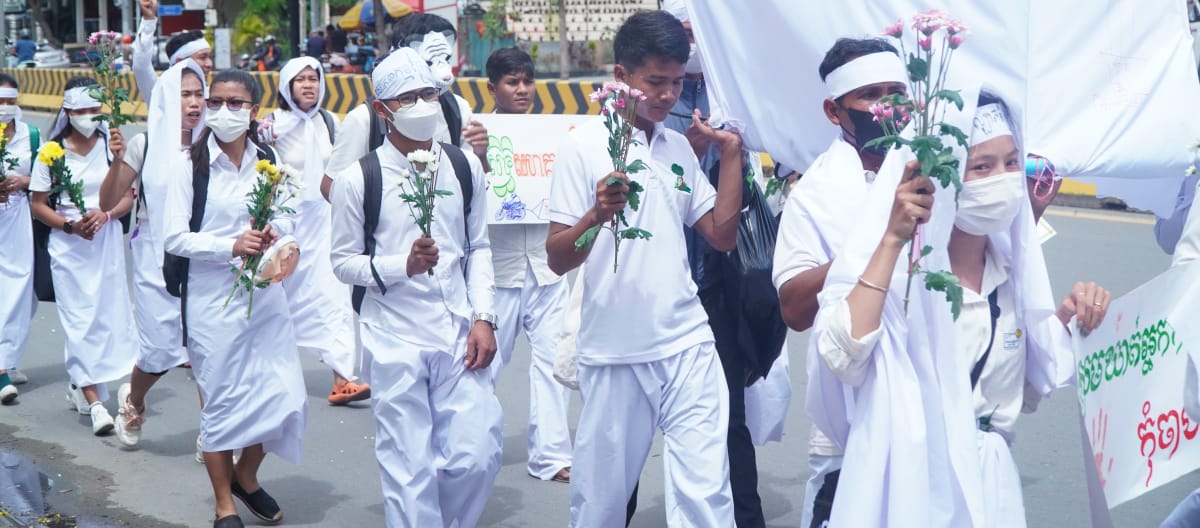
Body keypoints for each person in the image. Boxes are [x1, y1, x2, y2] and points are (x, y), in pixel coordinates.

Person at [809, 90, 1112, 526]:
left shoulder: (1011, 276)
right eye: (982, 167)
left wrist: (1069, 319)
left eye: (1012, 163)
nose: (1003, 179)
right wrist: (893, 240)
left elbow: (1024, 392)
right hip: (911, 488)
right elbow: (842, 355)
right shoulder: (903, 276)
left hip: (992, 495)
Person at [546, 11, 745, 526]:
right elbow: (558, 255)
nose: (666, 95)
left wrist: (730, 158)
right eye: (655, 81)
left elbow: (721, 236)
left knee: (705, 494)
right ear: (622, 76)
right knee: (600, 502)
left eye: (676, 82)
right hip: (615, 353)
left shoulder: (677, 146)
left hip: (688, 344)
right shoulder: (582, 147)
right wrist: (596, 214)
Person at [329, 48, 502, 528]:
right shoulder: (357, 179)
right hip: (394, 336)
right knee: (409, 468)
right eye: (408, 98)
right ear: (383, 109)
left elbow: (479, 247)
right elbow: (342, 263)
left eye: (429, 93)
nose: (423, 105)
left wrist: (484, 317)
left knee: (476, 455)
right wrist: (400, 265)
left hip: (458, 331)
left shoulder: (464, 167)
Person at [770, 37, 907, 528]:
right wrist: (871, 247)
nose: (888, 107)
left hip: (925, 398)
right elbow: (794, 309)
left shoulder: (932, 168)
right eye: (871, 95)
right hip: (847, 409)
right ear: (835, 110)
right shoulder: (815, 195)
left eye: (897, 91)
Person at [163, 70, 306, 528]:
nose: (225, 112)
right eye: (216, 102)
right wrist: (229, 244)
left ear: (254, 111)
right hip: (212, 303)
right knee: (223, 405)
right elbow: (173, 237)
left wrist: (278, 239)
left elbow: (290, 217)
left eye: (237, 103)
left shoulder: (270, 161)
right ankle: (225, 502)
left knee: (283, 397)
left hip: (264, 298)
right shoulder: (190, 165)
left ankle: (247, 475)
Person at [98, 59, 206, 448]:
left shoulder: (212, 142)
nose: (194, 103)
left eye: (199, 94)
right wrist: (116, 162)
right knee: (160, 349)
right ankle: (136, 397)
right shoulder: (146, 143)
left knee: (205, 348)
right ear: (167, 99)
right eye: (185, 95)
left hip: (203, 258)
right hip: (154, 258)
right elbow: (109, 200)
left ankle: (212, 435)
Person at [483, 46, 574, 484]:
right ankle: (472, 445)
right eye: (511, 82)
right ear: (492, 88)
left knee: (554, 362)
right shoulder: (474, 134)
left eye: (526, 81)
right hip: (497, 270)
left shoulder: (554, 133)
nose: (522, 90)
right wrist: (479, 157)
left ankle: (552, 455)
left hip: (547, 265)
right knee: (484, 366)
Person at [28, 78, 137, 436]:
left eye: (95, 109)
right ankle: (94, 402)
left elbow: (128, 195)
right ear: (68, 112)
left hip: (104, 243)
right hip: (69, 245)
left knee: (108, 316)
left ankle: (84, 382)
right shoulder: (51, 152)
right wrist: (70, 226)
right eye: (81, 111)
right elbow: (38, 204)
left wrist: (105, 215)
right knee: (79, 320)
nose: (89, 117)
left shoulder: (111, 147)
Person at [260, 56, 369, 405]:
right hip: (285, 223)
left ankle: (343, 377)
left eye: (314, 78)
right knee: (276, 296)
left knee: (333, 295)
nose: (308, 85)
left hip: (325, 223)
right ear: (286, 86)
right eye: (300, 79)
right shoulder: (270, 125)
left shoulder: (330, 122)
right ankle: (262, 369)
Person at [322, 13, 489, 201]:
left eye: (446, 59)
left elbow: (475, 181)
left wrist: (481, 155)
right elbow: (332, 187)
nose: (444, 74)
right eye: (428, 62)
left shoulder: (458, 109)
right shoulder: (365, 119)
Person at [0, 74, 40, 403]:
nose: (5, 108)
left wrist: (25, 180)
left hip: (18, 220)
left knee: (20, 293)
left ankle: (8, 359)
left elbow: (45, 178)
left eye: (10, 101)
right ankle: (1, 370)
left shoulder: (32, 135)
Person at [132, 0, 214, 105]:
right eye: (202, 57)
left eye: (210, 57)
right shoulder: (162, 91)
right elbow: (140, 66)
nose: (209, 64)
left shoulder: (214, 94)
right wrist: (148, 20)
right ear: (180, 62)